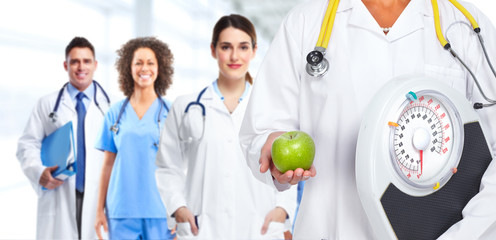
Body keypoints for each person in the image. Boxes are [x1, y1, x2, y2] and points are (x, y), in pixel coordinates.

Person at [239, 0, 496, 239]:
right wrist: (271, 149)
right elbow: (263, 129)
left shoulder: (462, 25)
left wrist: (471, 232)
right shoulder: (306, 22)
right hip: (332, 230)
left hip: (440, 230)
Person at [155, 14, 297, 239]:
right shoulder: (186, 107)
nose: (234, 56)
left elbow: (289, 166)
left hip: (258, 227)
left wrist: (283, 209)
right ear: (213, 50)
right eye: (226, 47)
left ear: (253, 50)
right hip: (203, 229)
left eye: (242, 47)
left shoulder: (272, 108)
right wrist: (178, 208)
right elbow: (167, 167)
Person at [16, 36, 111, 239]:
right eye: (75, 61)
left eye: (86, 61)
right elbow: (27, 145)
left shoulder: (110, 108)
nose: (80, 67)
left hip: (97, 198)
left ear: (95, 65)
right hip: (59, 193)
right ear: (65, 65)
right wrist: (38, 171)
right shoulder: (46, 104)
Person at [94, 37, 174, 239]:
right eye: (138, 62)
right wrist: (98, 210)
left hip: (161, 210)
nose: (144, 68)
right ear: (128, 68)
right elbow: (107, 165)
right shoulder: (115, 113)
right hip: (122, 211)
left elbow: (181, 165)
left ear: (160, 68)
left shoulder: (171, 112)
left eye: (150, 63)